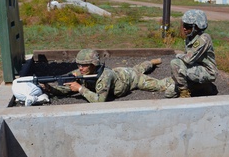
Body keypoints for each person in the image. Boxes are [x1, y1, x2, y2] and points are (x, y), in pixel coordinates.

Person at [43, 49, 174, 103]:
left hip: (132, 79)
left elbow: (100, 101)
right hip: (121, 72)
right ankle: (151, 62)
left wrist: (80, 89)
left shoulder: (104, 76)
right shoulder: (82, 73)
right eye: (79, 65)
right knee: (139, 67)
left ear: (93, 64)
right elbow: (69, 88)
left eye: (84, 65)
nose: (80, 68)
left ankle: (178, 81)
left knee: (159, 85)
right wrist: (50, 88)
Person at [166, 9, 218, 98]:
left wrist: (179, 56)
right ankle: (202, 87)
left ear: (197, 27)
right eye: (184, 25)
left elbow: (188, 59)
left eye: (187, 26)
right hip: (195, 68)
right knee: (169, 93)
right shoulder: (190, 38)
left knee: (175, 63)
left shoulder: (204, 38)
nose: (184, 28)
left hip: (207, 71)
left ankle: (185, 93)